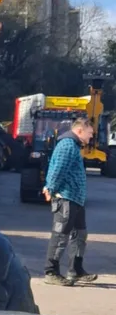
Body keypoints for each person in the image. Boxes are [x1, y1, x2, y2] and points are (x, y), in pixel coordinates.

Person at [43, 115, 98, 286]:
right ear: (80, 130)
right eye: (90, 133)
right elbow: (58, 170)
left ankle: (76, 270)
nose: (91, 137)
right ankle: (51, 272)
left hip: (76, 199)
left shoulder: (73, 145)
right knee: (60, 235)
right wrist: (50, 188)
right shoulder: (67, 145)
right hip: (66, 198)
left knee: (79, 234)